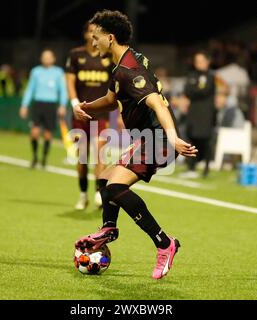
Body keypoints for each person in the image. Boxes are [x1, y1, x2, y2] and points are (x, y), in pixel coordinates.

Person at [72, 10, 197, 279]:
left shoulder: (130, 71)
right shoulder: (123, 63)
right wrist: (87, 107)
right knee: (106, 183)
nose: (93, 43)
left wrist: (173, 138)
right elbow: (110, 98)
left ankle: (165, 244)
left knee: (116, 187)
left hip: (158, 138)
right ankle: (108, 228)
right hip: (146, 138)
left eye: (96, 38)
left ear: (110, 37)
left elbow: (156, 103)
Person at [65, 22, 113, 210]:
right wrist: (74, 104)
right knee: (82, 157)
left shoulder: (108, 57)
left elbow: (115, 86)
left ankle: (99, 194)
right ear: (86, 34)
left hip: (101, 113)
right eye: (91, 31)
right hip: (80, 114)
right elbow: (69, 82)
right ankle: (83, 194)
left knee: (100, 154)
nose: (94, 34)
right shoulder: (75, 55)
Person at [19, 49, 67, 169]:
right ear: (41, 59)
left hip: (50, 105)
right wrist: (24, 105)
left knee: (47, 134)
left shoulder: (58, 72)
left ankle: (44, 158)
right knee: (34, 132)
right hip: (38, 104)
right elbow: (30, 89)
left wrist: (62, 105)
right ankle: (35, 156)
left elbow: (63, 90)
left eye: (48, 57)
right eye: (44, 57)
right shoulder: (36, 72)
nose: (46, 59)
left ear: (53, 59)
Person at [181, 50, 217, 179]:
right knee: (190, 139)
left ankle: (206, 168)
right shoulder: (191, 75)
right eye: (197, 61)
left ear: (208, 62)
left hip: (206, 113)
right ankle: (191, 167)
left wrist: (194, 90)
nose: (199, 64)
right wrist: (195, 90)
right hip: (193, 112)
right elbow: (187, 90)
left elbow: (204, 91)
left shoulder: (211, 76)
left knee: (206, 140)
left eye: (201, 61)